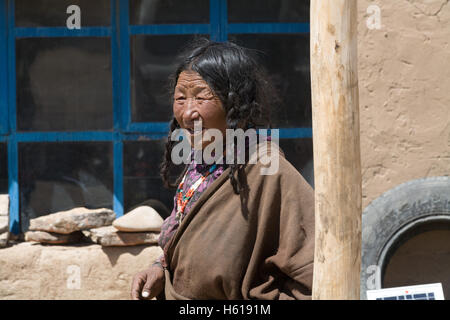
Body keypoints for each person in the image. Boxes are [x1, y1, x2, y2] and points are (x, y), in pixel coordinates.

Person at [131, 39, 315, 300]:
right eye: (180, 99)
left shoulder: (266, 170)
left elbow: (313, 271)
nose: (188, 113)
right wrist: (160, 267)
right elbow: (188, 247)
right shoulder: (198, 166)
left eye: (202, 98)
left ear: (235, 103)